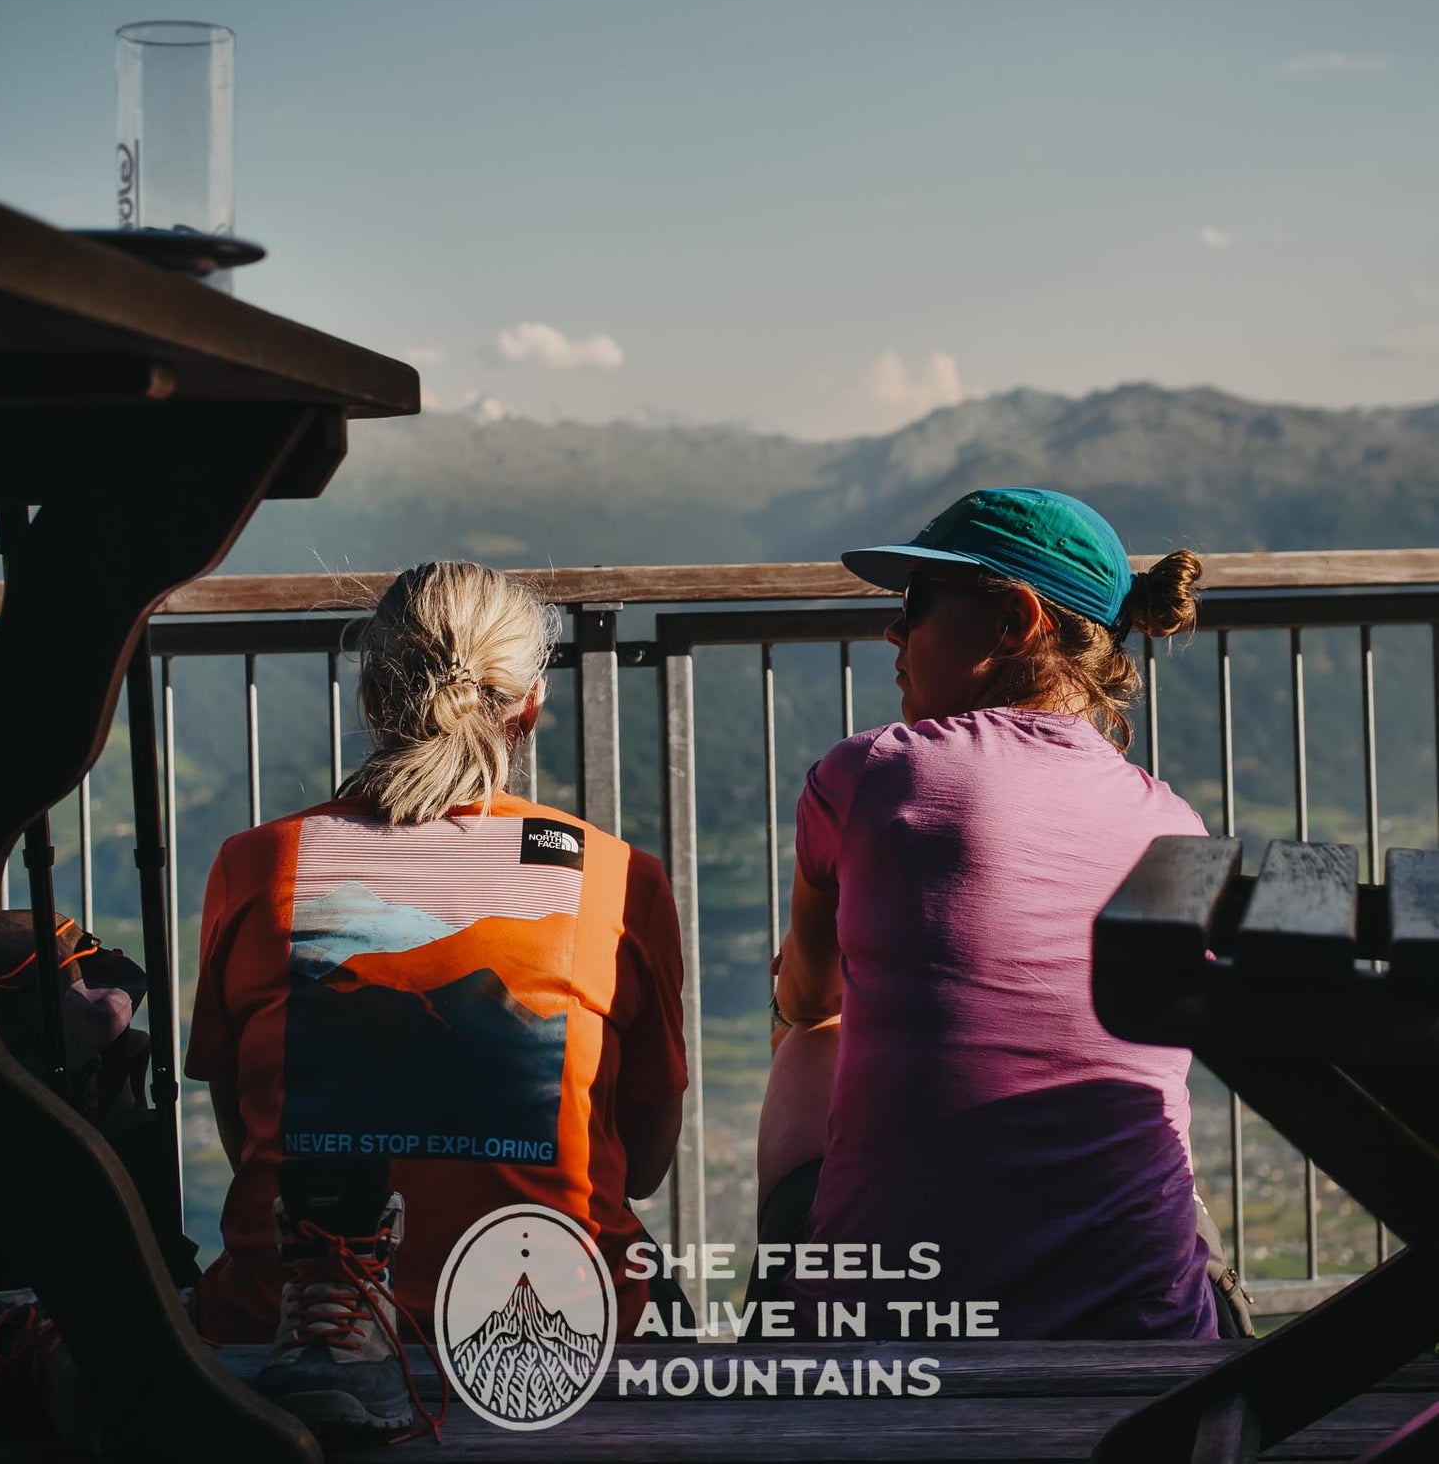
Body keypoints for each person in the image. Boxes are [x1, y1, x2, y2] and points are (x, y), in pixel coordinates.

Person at [186, 563, 687, 1436]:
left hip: (288, 1330)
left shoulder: (258, 864)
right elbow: (641, 1164)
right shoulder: (615, 876)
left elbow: (251, 1141)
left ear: (372, 690)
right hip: (554, 1331)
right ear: (529, 705)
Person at [758, 487, 1219, 1340]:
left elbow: (809, 1000)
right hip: (1144, 1343)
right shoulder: (1177, 828)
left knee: (811, 1049)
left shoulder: (870, 777)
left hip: (891, 1335)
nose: (892, 633)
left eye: (915, 605)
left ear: (1012, 619)